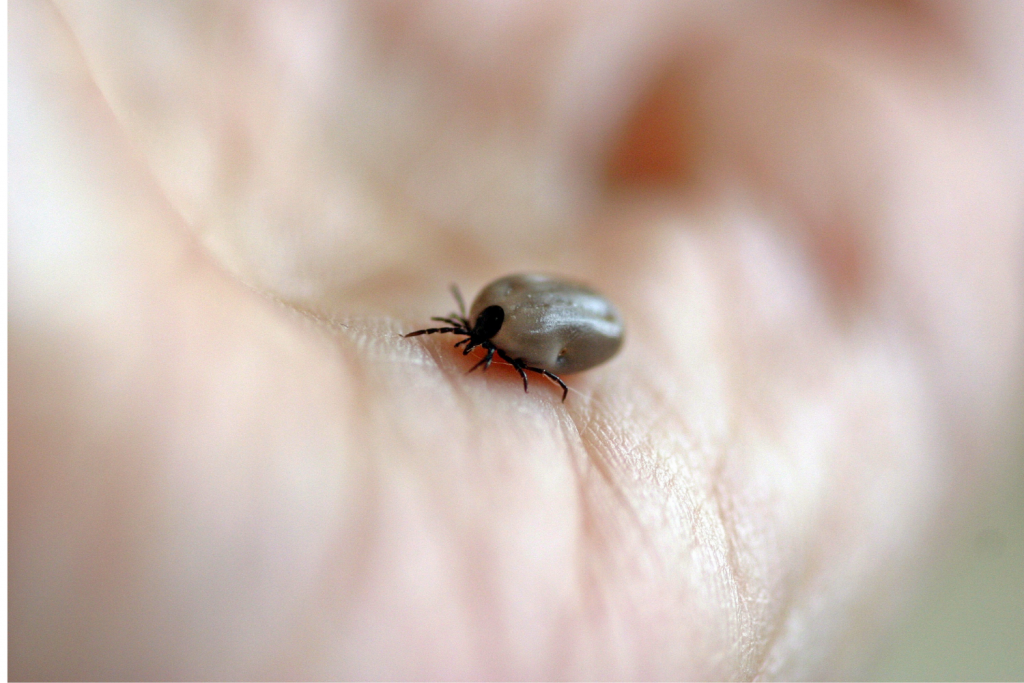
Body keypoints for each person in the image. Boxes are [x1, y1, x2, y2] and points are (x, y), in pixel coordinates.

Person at [9, 1, 1023, 678]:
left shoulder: (502, 317)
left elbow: (513, 328)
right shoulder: (499, 323)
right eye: (472, 334)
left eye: (470, 335)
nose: (464, 341)